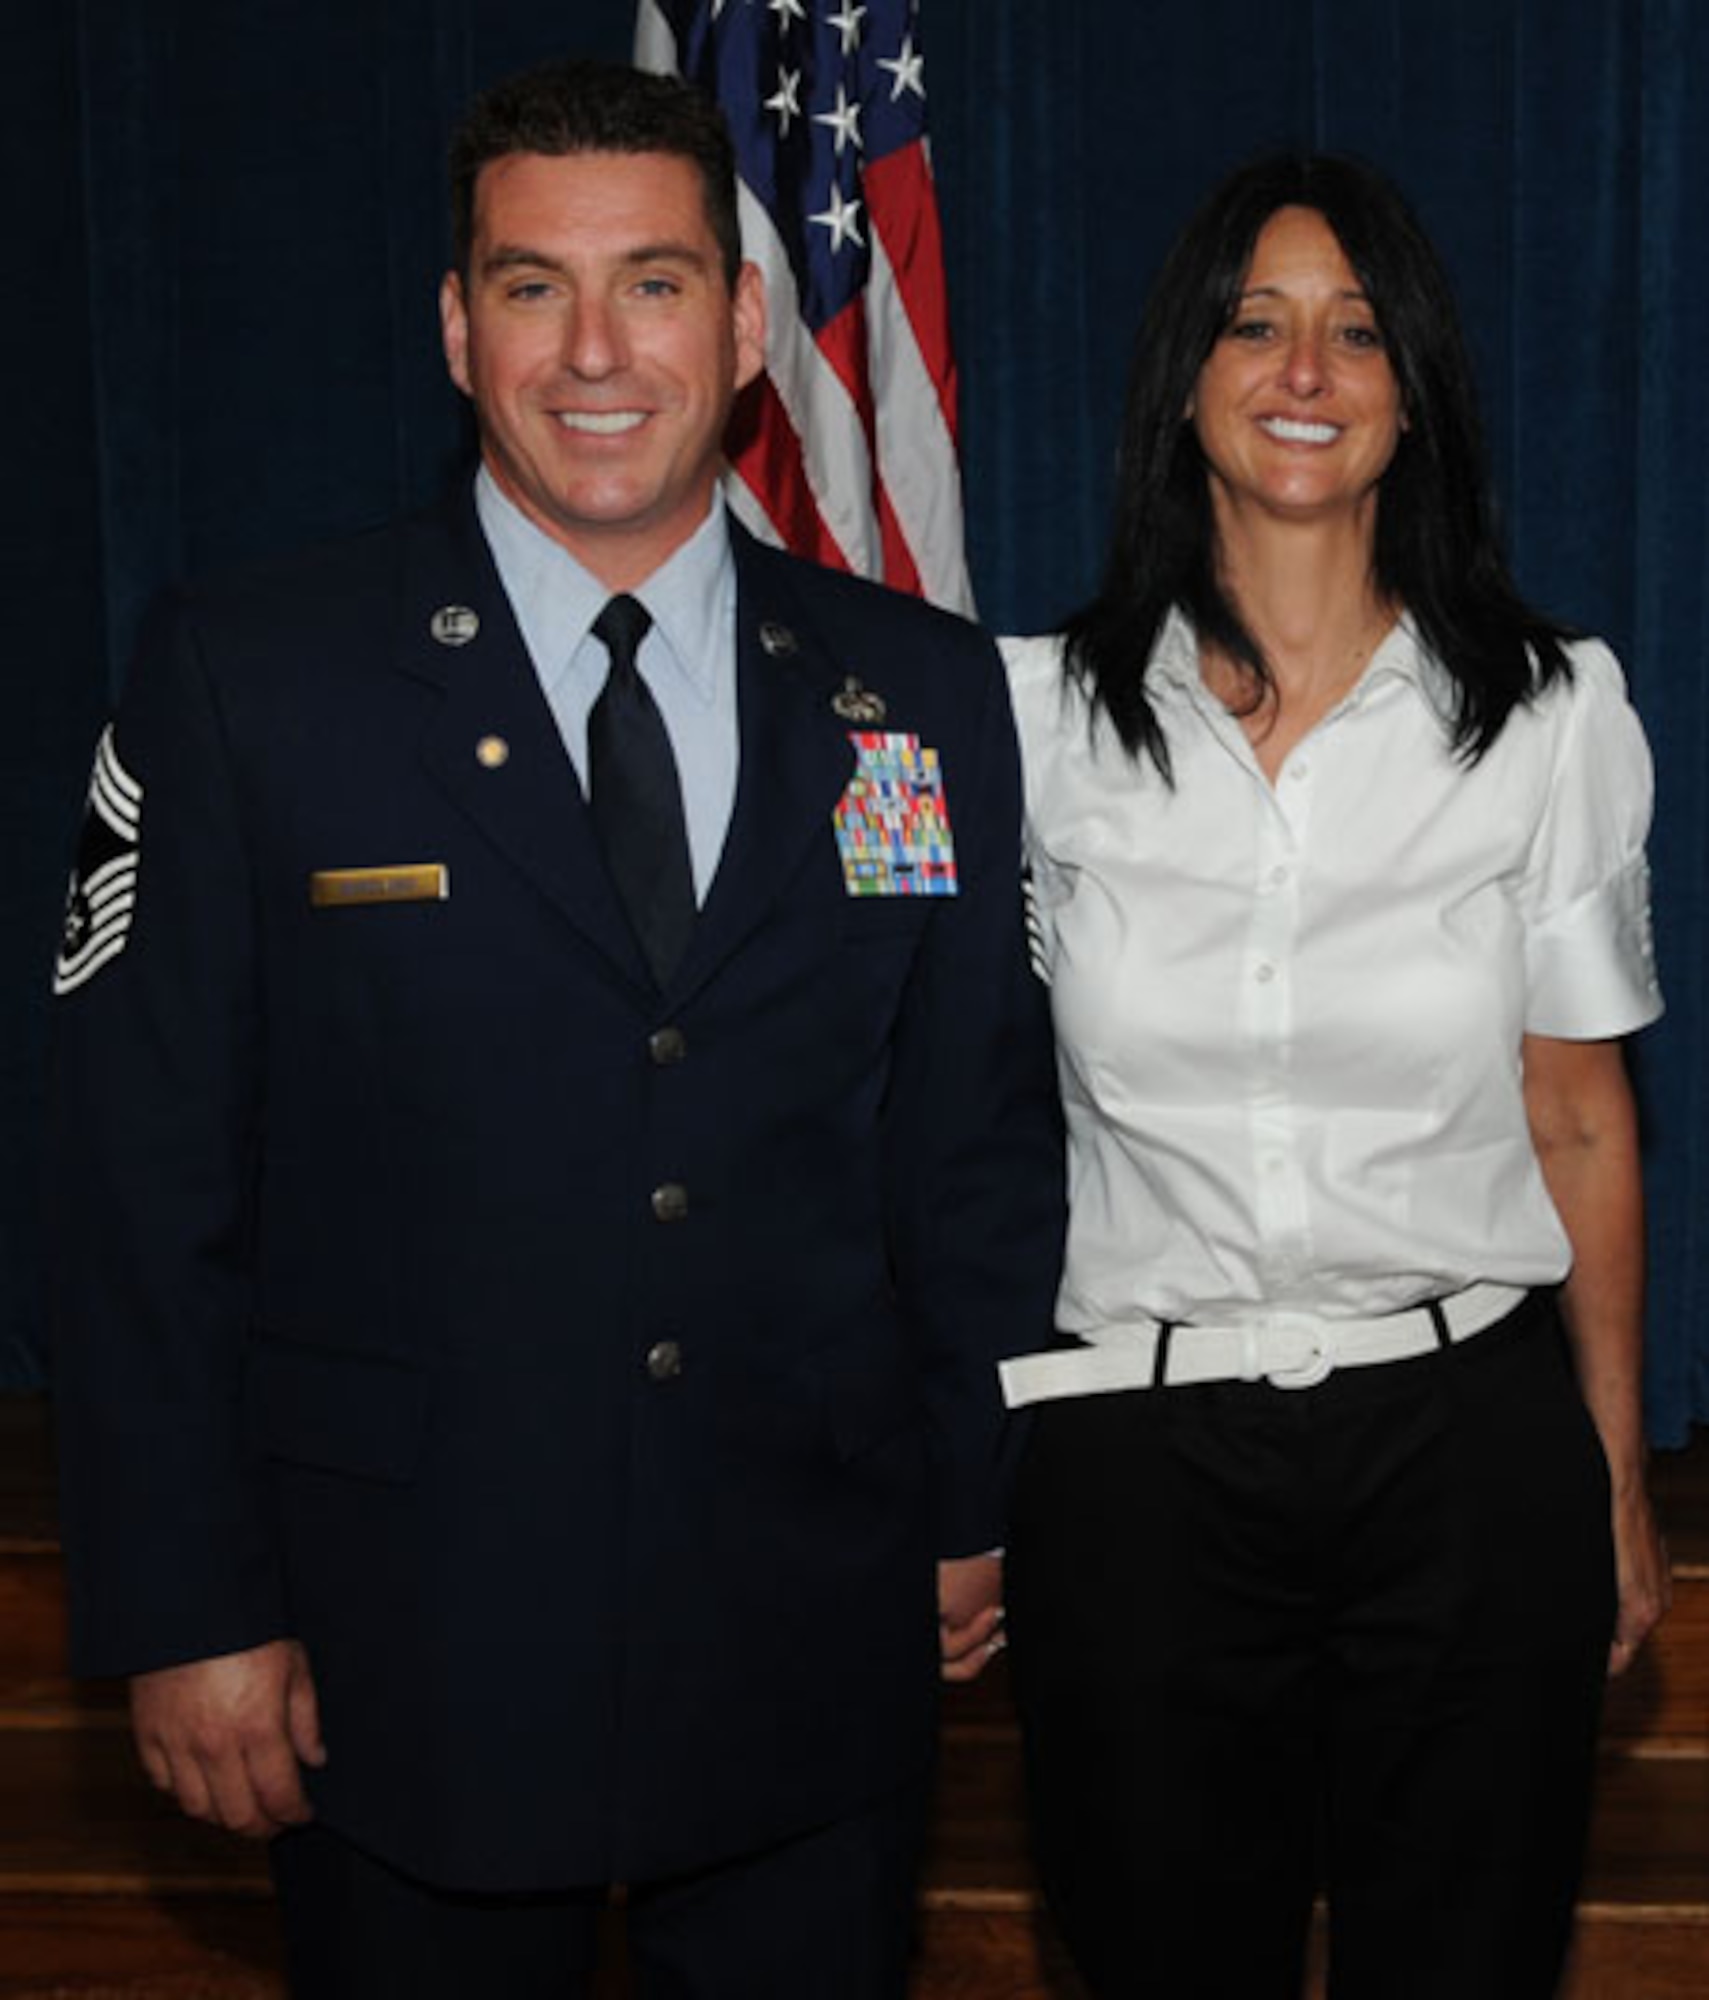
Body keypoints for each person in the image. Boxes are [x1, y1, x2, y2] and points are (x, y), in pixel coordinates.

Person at [46, 56, 1063, 1999]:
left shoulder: (913, 696)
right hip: (394, 1652)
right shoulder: (252, 677)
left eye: (656, 282)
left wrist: (976, 1495)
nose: (597, 349)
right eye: (532, 285)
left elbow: (972, 1141)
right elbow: (140, 1179)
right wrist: (184, 1603)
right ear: (455, 325)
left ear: (749, 322)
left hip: (810, 1633)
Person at [997, 153, 1668, 1999]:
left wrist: (1612, 1476)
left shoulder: (1548, 712)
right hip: (1133, 1466)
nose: (1305, 367)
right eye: (1256, 320)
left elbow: (1579, 1115)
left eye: (1357, 330)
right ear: (1185, 380)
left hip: (1465, 1450)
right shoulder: (1029, 719)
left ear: (1413, 386)